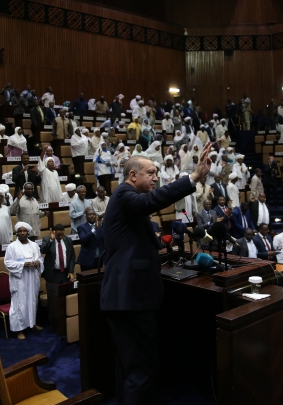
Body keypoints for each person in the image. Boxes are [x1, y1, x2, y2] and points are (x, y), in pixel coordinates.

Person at [100, 142, 211, 404]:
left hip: (127, 298)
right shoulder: (125, 195)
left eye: (156, 172)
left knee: (131, 368)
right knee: (141, 369)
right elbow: (153, 200)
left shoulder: (130, 203)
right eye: (150, 172)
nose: (155, 177)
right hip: (131, 301)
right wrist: (193, 176)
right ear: (132, 175)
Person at [3, 222, 44, 340]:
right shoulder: (12, 247)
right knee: (19, 304)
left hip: (32, 278)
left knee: (32, 301)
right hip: (19, 279)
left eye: (24, 231)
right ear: (17, 233)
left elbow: (40, 259)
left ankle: (32, 324)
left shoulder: (34, 245)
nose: (22, 233)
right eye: (20, 231)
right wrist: (22, 265)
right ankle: (18, 330)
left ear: (28, 232)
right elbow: (8, 263)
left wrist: (38, 263)